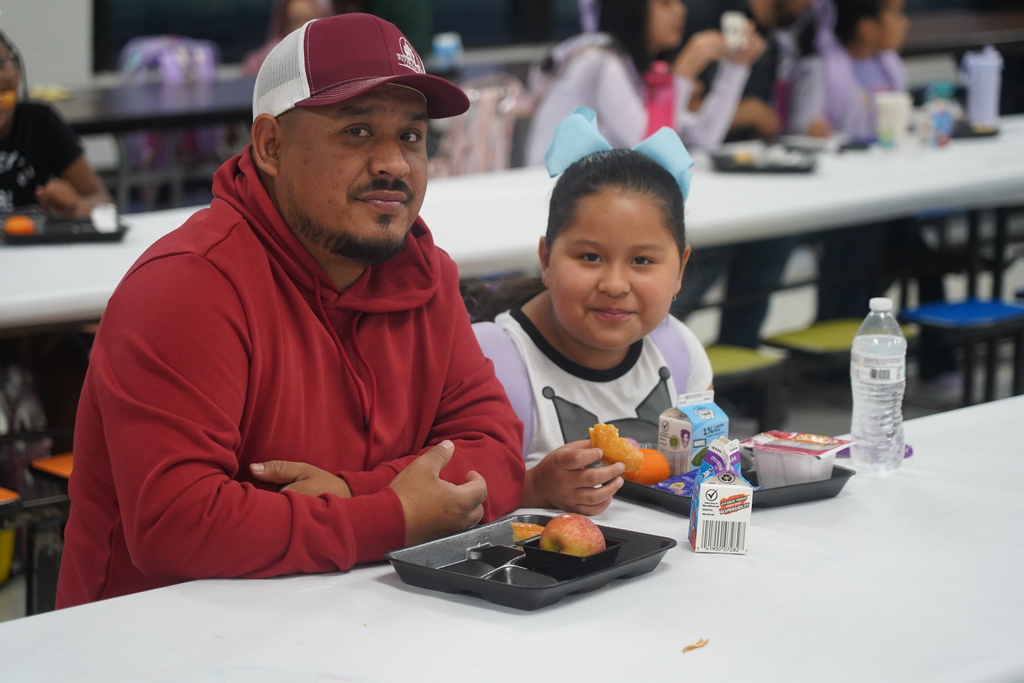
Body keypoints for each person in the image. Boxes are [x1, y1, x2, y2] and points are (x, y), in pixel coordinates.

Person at [56, 14, 525, 609]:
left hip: (353, 620)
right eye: (357, 132)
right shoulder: (186, 286)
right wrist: (395, 517)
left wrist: (358, 496)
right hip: (152, 643)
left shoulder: (427, 276)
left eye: (410, 136)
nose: (395, 165)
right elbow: (178, 525)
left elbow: (498, 451)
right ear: (271, 147)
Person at [466, 108, 713, 515]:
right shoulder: (489, 362)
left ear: (680, 269)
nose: (615, 284)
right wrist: (533, 488)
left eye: (643, 261)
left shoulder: (680, 355)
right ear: (546, 258)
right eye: (590, 256)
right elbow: (448, 500)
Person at [524, 0, 766, 165]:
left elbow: (702, 136)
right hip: (552, 199)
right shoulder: (599, 61)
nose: (680, 10)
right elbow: (651, 148)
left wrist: (736, 68)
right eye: (665, 3)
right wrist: (682, 73)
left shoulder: (633, 67)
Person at [0, 29, 113, 216]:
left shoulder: (39, 122)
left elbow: (104, 201)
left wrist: (73, 207)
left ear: (18, 71)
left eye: (2, 64)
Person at [241, 0, 333, 77]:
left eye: (308, 19)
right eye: (295, 21)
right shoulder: (260, 64)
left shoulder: (334, 56)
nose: (302, 27)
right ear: (284, 23)